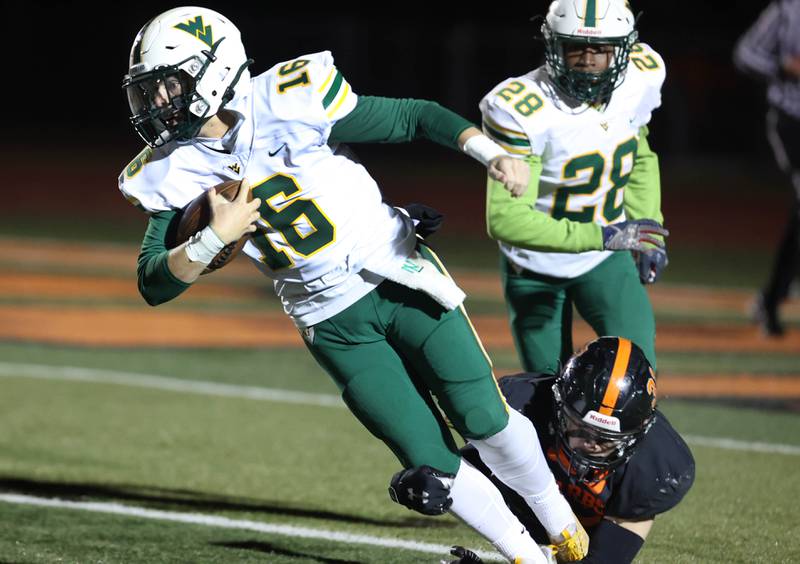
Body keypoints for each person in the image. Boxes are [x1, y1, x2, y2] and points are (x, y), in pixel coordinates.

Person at [117, 6, 612, 563]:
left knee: (483, 417)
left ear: (213, 71)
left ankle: (564, 526)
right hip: (328, 319)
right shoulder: (168, 167)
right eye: (150, 91)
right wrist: (211, 240)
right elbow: (152, 281)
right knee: (428, 457)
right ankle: (530, 557)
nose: (157, 103)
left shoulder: (286, 98)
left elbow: (413, 117)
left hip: (393, 270)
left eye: (169, 86)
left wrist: (490, 153)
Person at [480, 0, 668, 375]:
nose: (586, 58)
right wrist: (605, 234)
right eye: (574, 46)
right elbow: (506, 220)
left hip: (604, 258)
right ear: (553, 45)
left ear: (623, 49)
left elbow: (640, 156)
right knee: (548, 389)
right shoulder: (522, 107)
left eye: (600, 48)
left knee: (639, 374)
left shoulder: (641, 78)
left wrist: (649, 227)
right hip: (534, 264)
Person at [450, 337, 695, 564]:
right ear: (558, 403)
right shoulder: (524, 404)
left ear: (638, 433)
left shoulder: (656, 464)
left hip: (591, 535)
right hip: (522, 511)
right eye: (581, 428)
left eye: (607, 439)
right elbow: (470, 469)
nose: (592, 443)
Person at [733, 0, 800, 337]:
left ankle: (771, 298)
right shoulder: (786, 10)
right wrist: (785, 66)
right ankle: (771, 300)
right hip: (791, 120)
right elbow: (746, 53)